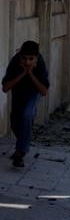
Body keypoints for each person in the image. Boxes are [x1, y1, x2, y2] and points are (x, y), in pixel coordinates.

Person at [2, 40, 49, 168]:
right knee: (16, 123)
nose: (28, 62)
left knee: (27, 114)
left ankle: (20, 153)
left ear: (36, 57)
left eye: (31, 59)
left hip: (33, 93)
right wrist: (24, 72)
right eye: (25, 58)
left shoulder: (40, 64)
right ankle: (22, 144)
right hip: (18, 93)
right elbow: (5, 88)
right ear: (20, 56)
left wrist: (31, 73)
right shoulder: (15, 62)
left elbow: (44, 91)